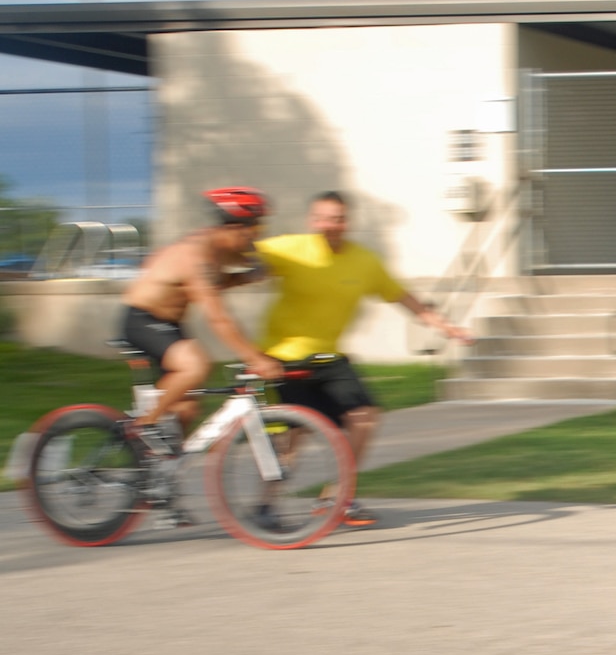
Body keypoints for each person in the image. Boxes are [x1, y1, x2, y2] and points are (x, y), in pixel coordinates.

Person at [255, 191, 473, 527]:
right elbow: (240, 255)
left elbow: (402, 296)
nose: (332, 225)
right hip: (286, 356)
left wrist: (444, 325)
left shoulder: (364, 261)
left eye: (338, 218)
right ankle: (265, 506)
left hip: (329, 356)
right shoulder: (289, 248)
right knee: (294, 434)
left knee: (365, 417)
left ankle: (336, 497)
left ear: (347, 222)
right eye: (324, 218)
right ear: (313, 221)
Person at [118, 187, 283, 455]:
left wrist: (244, 276)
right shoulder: (196, 255)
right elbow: (218, 317)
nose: (256, 239)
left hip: (169, 326)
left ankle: (154, 475)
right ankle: (143, 426)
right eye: (254, 230)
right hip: (142, 319)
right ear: (235, 228)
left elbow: (214, 284)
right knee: (195, 366)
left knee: (185, 409)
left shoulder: (221, 250)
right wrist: (255, 358)